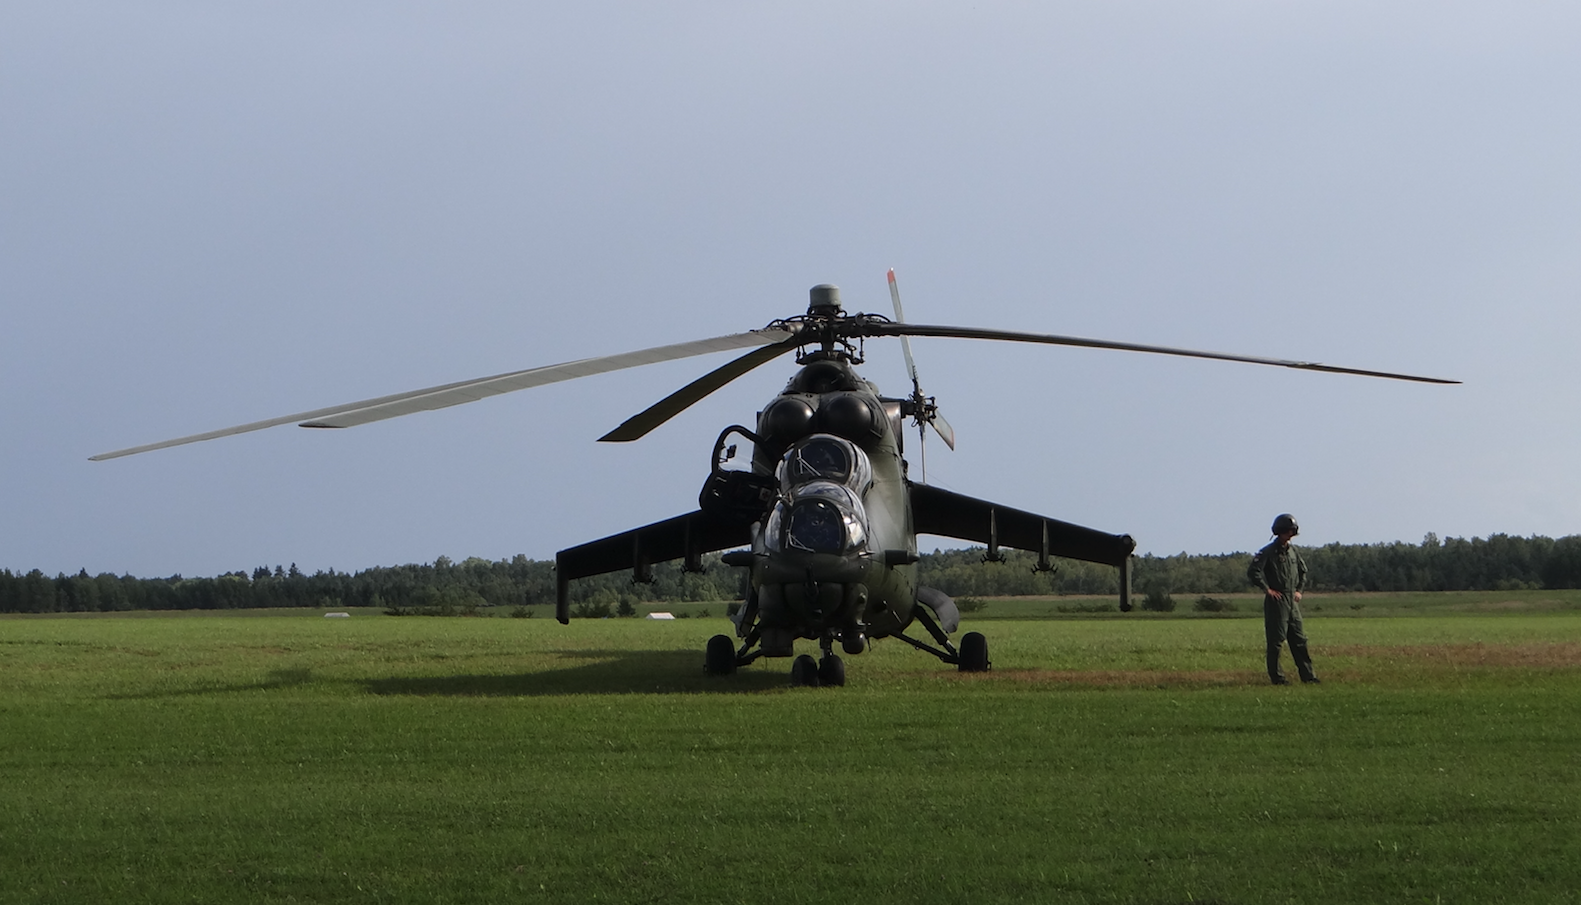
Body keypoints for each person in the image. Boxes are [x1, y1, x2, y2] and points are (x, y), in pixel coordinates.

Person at [1247, 513, 1320, 685]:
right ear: (1280, 531)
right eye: (1289, 531)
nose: (1291, 535)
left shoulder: (1293, 552)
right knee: (1276, 641)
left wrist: (1299, 590)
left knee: (1299, 640)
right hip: (1277, 602)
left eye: (1292, 531)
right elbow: (1253, 572)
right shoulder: (1267, 552)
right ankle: (1277, 678)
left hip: (1292, 602)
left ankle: (1308, 676)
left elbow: (1303, 572)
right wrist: (1267, 590)